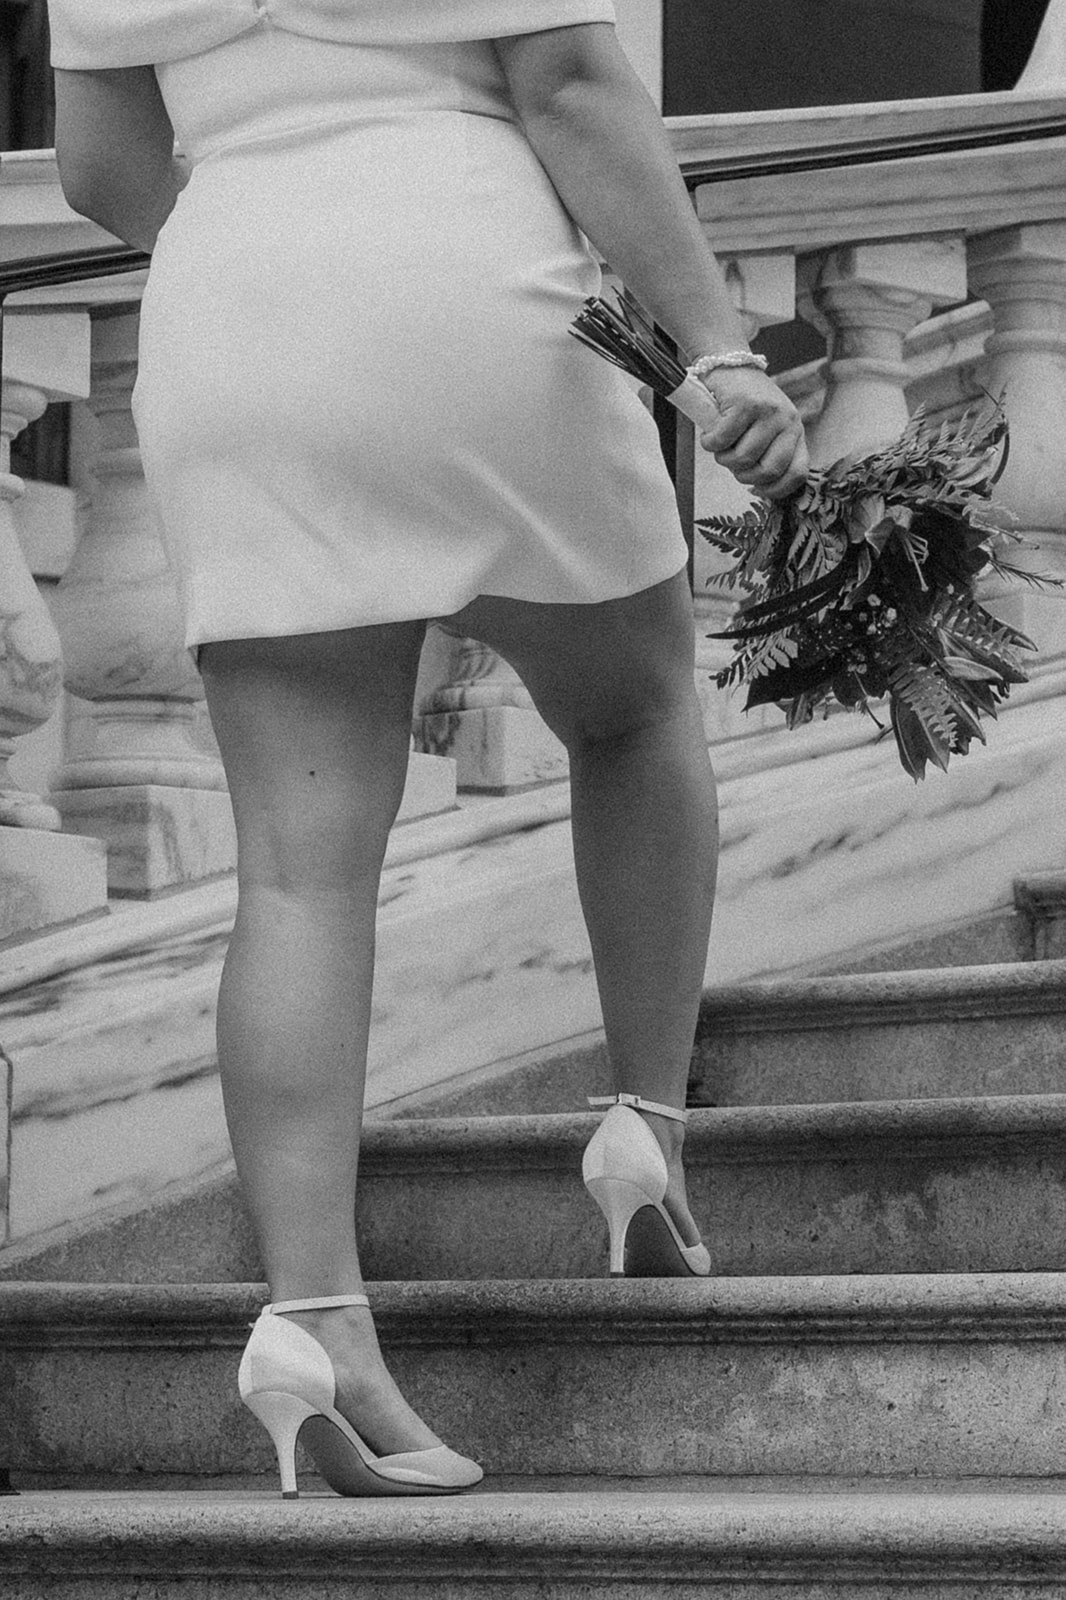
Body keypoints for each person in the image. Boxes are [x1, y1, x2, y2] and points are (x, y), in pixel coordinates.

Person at [49, 0, 808, 1499]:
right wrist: (715, 350)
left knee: (294, 871)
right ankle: (644, 1125)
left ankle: (314, 1320)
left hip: (235, 304)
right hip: (466, 273)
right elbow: (577, 89)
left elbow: (101, 165)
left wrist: (274, 211)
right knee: (635, 707)